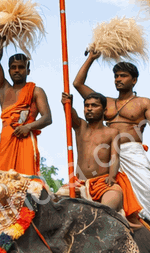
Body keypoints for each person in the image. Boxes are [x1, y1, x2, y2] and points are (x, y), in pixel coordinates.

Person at [73, 51, 150, 222]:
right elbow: (78, 83)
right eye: (116, 76)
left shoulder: (144, 102)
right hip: (106, 154)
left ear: (134, 80)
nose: (118, 79)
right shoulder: (105, 102)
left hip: (132, 151)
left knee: (148, 188)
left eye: (123, 76)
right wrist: (91, 58)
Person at [60, 92, 144, 226]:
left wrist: (112, 176)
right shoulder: (80, 126)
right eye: (86, 106)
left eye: (94, 105)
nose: (89, 108)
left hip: (103, 185)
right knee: (54, 203)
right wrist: (67, 104)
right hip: (79, 183)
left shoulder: (112, 132)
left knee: (108, 206)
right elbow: (72, 116)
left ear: (104, 110)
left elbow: (114, 156)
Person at [0, 42, 52, 176]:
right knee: (3, 181)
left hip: (25, 140)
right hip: (6, 141)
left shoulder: (36, 91)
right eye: (13, 67)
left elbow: (47, 118)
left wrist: (28, 127)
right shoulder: (4, 89)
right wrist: (1, 38)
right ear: (9, 71)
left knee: (27, 183)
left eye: (21, 67)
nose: (17, 70)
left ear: (28, 70)